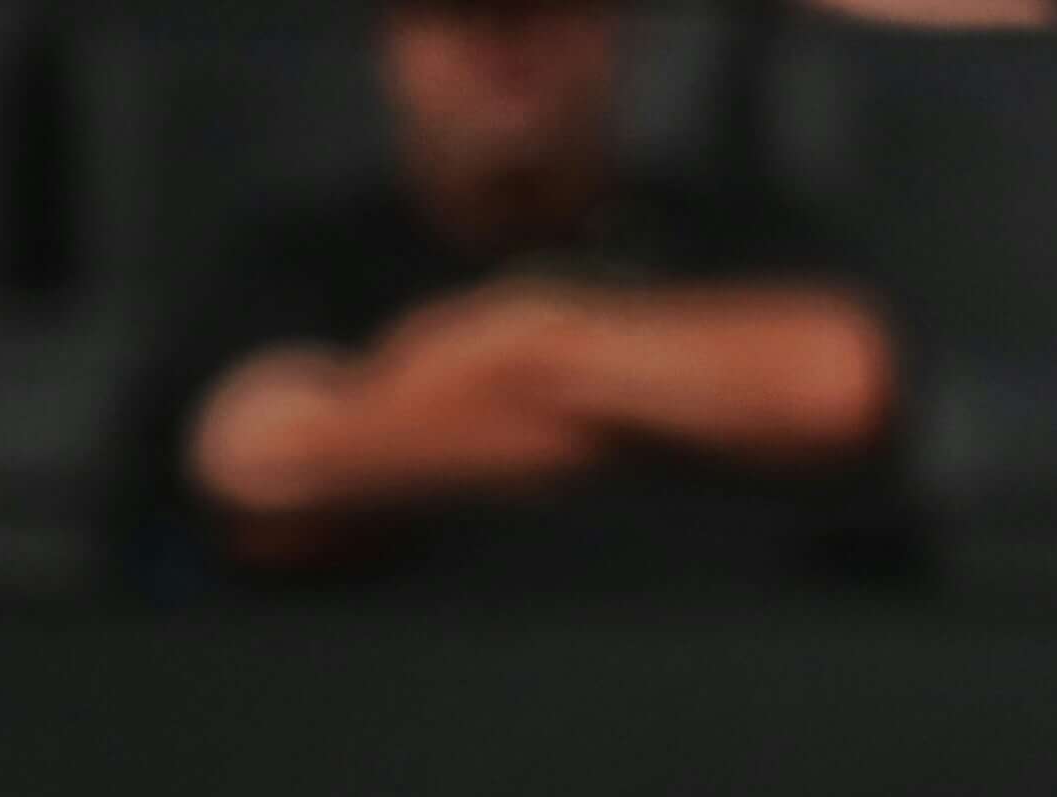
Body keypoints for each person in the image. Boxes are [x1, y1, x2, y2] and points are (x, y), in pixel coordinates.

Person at [116, 0, 897, 591]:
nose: (504, 51)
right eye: (465, 14)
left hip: (734, 700)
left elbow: (837, 383)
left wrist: (517, 342)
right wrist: (645, 409)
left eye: (539, 12)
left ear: (612, 28)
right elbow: (264, 464)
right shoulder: (301, 258)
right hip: (389, 711)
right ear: (394, 41)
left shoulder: (736, 230)